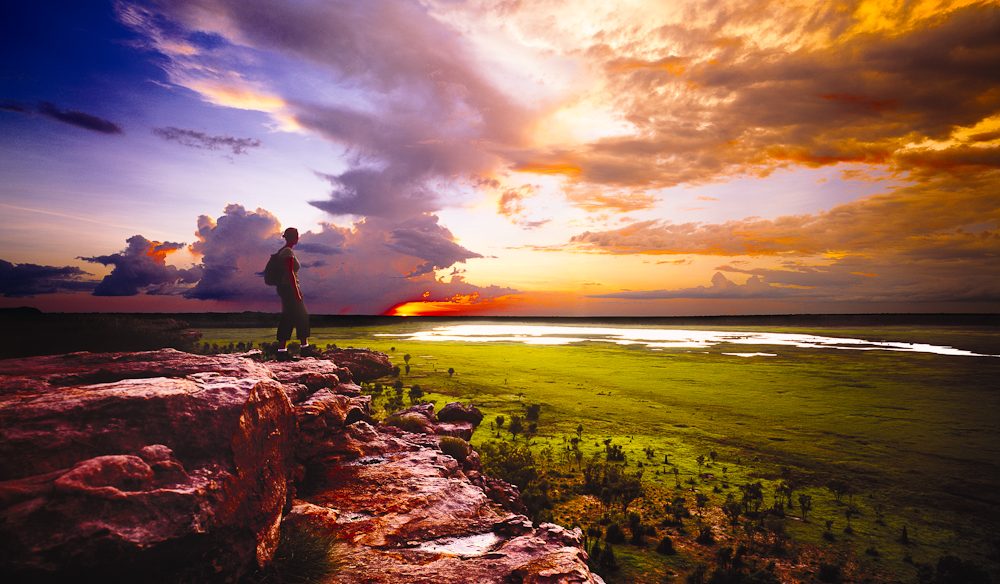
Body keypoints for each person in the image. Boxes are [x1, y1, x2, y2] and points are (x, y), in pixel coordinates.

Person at [274, 227, 314, 361]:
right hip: (289, 289)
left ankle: (282, 350)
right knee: (301, 316)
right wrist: (296, 292)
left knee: (289, 317)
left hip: (287, 288)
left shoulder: (285, 251)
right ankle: (304, 348)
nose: (297, 238)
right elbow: (290, 272)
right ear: (294, 237)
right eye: (296, 236)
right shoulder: (287, 252)